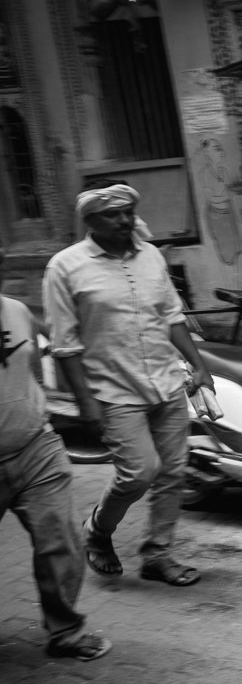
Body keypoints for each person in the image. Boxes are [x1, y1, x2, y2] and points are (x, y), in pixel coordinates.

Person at [44, 181, 214, 587]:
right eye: (112, 214)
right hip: (113, 390)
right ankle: (98, 530)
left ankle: (157, 553)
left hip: (166, 381)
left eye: (128, 212)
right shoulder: (64, 267)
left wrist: (199, 365)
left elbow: (172, 316)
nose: (124, 220)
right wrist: (85, 402)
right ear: (90, 220)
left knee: (173, 472)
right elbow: (64, 344)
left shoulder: (151, 255)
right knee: (138, 473)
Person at [1, 242, 110, 660]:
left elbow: (31, 373)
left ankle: (65, 631)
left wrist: (41, 419)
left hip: (35, 448)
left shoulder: (17, 311)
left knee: (61, 540)